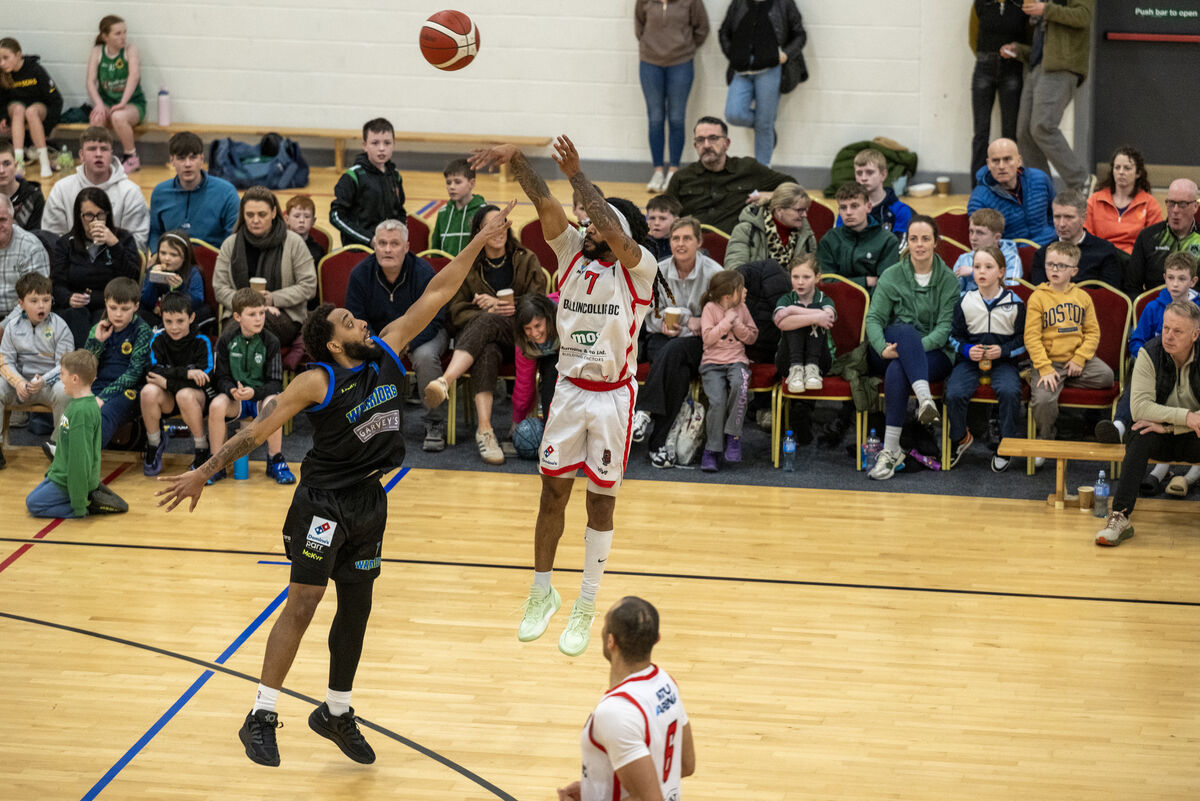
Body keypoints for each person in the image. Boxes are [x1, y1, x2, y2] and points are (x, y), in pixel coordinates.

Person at [156, 202, 515, 767]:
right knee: (303, 602)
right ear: (331, 343)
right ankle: (262, 713)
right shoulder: (316, 381)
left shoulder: (388, 351)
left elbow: (439, 292)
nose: (363, 323)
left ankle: (336, 711)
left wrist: (480, 240)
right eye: (350, 323)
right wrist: (204, 469)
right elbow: (257, 431)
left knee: (357, 608)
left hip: (370, 501)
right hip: (321, 505)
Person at [469, 137, 661, 657]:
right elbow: (543, 202)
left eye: (600, 222)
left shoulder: (639, 269)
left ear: (619, 231)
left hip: (612, 400)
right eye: (590, 221)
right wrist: (517, 160)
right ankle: (542, 591)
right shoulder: (572, 251)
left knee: (600, 502)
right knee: (551, 493)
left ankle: (586, 602)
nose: (589, 225)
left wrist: (580, 176)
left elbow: (604, 219)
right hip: (570, 392)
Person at [424, 204, 545, 465]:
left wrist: (513, 307)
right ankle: (485, 429)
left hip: (522, 334)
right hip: (485, 339)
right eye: (491, 225)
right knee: (487, 350)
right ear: (479, 232)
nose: (498, 230)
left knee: (489, 320)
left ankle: (445, 380)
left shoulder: (526, 258)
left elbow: (540, 304)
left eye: (502, 223)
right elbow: (454, 313)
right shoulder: (467, 265)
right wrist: (485, 309)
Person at [556, 596, 695, 801]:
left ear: (610, 641)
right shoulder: (667, 684)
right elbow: (685, 765)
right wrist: (597, 789)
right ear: (656, 638)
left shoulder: (616, 712)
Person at [1095, 301, 1200, 546]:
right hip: (1161, 434)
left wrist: (1171, 426)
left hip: (1189, 436)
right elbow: (1139, 408)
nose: (1169, 336)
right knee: (1138, 431)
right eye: (1166, 328)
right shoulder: (1149, 353)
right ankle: (1120, 517)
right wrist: (1187, 417)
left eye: (1178, 331)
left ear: (1195, 335)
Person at [1095, 252, 1200, 495]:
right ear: (1164, 278)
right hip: (1153, 366)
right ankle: (1120, 425)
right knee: (1137, 387)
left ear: (1192, 281)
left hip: (1189, 371)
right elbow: (1137, 339)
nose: (1175, 284)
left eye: (1181, 278)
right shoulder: (1153, 306)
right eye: (1170, 278)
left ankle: (1185, 475)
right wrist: (1147, 356)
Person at [864, 215, 959, 480]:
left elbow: (943, 329)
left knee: (899, 368)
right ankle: (924, 398)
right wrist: (882, 347)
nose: (919, 245)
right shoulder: (892, 274)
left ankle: (891, 451)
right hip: (887, 349)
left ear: (936, 242)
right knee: (903, 332)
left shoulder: (949, 279)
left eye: (925, 239)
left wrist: (911, 350)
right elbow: (874, 319)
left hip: (934, 355)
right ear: (908, 241)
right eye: (914, 239)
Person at [344, 219, 448, 453]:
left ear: (407, 247)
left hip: (424, 334)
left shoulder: (423, 272)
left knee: (424, 357)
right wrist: (383, 344)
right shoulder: (361, 274)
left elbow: (435, 317)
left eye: (394, 243)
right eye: (382, 243)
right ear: (374, 245)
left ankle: (435, 423)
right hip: (378, 337)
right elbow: (355, 318)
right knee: (360, 354)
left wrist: (409, 342)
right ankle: (373, 423)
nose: (388, 249)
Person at [631, 216, 723, 468]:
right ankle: (657, 445)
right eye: (675, 238)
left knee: (675, 354)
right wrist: (662, 322)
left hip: (699, 343)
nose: (680, 244)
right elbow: (647, 313)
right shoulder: (658, 270)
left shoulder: (715, 274)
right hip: (663, 339)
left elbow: (722, 318)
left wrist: (694, 321)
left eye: (686, 238)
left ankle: (644, 412)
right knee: (676, 369)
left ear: (699, 242)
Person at [945, 246, 1027, 472]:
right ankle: (960, 437)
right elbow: (953, 336)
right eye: (977, 266)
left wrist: (1003, 351)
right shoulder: (964, 301)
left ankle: (1006, 444)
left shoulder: (1015, 303)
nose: (981, 272)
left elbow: (1023, 340)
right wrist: (966, 349)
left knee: (1010, 391)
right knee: (954, 392)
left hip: (1003, 362)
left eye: (988, 267)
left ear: (1001, 271)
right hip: (970, 361)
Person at [1024, 241, 1114, 446]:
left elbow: (1092, 332)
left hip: (1076, 362)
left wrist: (1080, 359)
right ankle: (1046, 437)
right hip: (1048, 363)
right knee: (1044, 401)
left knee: (1107, 376)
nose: (1055, 269)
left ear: (1074, 271)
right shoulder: (1038, 297)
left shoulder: (1082, 297)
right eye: (1050, 264)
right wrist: (1044, 368)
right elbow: (1031, 337)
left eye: (1061, 266)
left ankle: (1063, 380)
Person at [1005, 0, 1095, 194]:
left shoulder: (1050, 6)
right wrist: (1020, 50)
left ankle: (1081, 180)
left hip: (1062, 68)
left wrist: (1046, 9)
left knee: (1043, 126)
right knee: (1024, 132)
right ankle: (1041, 190)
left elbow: (1083, 16)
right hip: (1038, 68)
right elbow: (1046, 45)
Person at [26, 350, 127, 517]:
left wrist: (79, 506)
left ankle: (87, 506)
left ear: (74, 379)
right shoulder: (78, 402)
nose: (60, 378)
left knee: (33, 504)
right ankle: (81, 496)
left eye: (62, 374)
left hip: (71, 479)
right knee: (37, 494)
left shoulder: (82, 413)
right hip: (62, 473)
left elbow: (80, 461)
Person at [206, 288, 291, 485]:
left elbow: (276, 382)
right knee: (216, 405)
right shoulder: (226, 339)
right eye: (252, 314)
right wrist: (231, 391)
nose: (259, 319)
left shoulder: (271, 341)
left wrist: (255, 392)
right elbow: (220, 377)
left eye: (262, 313)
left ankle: (275, 459)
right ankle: (215, 462)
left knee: (275, 402)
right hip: (236, 400)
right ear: (237, 316)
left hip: (260, 398)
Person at [214, 186, 317, 347]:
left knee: (246, 328)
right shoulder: (231, 244)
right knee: (247, 324)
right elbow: (220, 288)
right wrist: (247, 306)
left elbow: (308, 286)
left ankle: (221, 365)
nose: (255, 220)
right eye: (249, 215)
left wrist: (273, 299)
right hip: (238, 313)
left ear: (274, 213)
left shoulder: (293, 242)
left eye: (262, 214)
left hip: (284, 315)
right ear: (242, 215)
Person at [663, 116, 796, 233]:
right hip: (693, 248)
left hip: (736, 247)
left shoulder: (748, 168)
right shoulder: (681, 177)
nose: (707, 145)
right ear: (695, 145)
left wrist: (771, 195)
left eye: (713, 138)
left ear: (727, 143)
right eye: (700, 140)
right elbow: (664, 214)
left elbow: (792, 185)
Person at [717, 0, 807, 166]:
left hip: (770, 70)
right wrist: (733, 55)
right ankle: (765, 127)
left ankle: (762, 174)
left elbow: (799, 34)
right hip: (741, 70)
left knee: (764, 124)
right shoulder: (739, 3)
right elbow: (724, 32)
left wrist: (786, 54)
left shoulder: (784, 3)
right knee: (734, 114)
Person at [51, 187, 141, 347]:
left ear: (107, 214)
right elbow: (56, 283)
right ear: (79, 217)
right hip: (76, 306)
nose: (95, 221)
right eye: (88, 215)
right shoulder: (66, 243)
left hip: (110, 304)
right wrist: (68, 298)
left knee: (106, 318)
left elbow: (131, 278)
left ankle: (92, 363)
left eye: (100, 214)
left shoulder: (123, 239)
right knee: (76, 316)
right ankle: (84, 363)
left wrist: (114, 244)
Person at [635, 0, 709, 192]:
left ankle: (674, 171)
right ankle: (658, 171)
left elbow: (702, 28)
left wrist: (685, 47)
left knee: (676, 118)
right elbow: (639, 26)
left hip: (681, 63)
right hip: (650, 63)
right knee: (655, 118)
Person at [0, 272, 73, 469]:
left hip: (49, 386)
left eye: (46, 300)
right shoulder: (13, 328)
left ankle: (59, 446)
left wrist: (44, 381)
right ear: (21, 304)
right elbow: (4, 361)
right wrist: (18, 382)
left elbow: (66, 364)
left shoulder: (61, 327)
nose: (41, 305)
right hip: (21, 386)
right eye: (34, 300)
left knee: (65, 390)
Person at [141, 293, 214, 476]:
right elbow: (151, 372)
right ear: (162, 318)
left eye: (180, 321)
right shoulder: (157, 339)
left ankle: (201, 447)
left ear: (191, 317)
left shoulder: (202, 341)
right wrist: (186, 374)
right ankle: (154, 442)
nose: (174, 327)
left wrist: (167, 381)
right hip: (168, 399)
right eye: (168, 321)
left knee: (185, 395)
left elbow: (206, 377)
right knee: (148, 391)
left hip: (195, 399)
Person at [42, 127, 150, 250]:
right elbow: (51, 237)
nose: (98, 154)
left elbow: (137, 243)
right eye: (92, 149)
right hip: (72, 264)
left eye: (104, 149)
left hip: (116, 264)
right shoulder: (61, 189)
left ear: (111, 154)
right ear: (81, 155)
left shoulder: (130, 192)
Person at [83, 277, 152, 449]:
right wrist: (97, 342)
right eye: (113, 308)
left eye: (125, 309)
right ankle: (65, 451)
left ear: (136, 306)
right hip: (99, 384)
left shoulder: (142, 331)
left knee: (106, 411)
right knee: (77, 407)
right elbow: (85, 367)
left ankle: (84, 460)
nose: (118, 314)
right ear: (106, 303)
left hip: (130, 390)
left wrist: (103, 397)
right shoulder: (97, 328)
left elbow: (135, 373)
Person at [698, 270, 757, 472]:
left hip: (737, 361)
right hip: (712, 364)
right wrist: (725, 322)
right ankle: (712, 450)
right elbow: (707, 338)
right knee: (717, 402)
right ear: (728, 295)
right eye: (742, 288)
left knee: (740, 388)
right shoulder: (709, 309)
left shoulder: (742, 308)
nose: (746, 291)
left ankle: (733, 436)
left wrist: (737, 323)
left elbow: (751, 337)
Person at [148, 131, 241, 251]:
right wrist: (156, 254)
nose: (188, 164)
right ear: (172, 160)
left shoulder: (227, 192)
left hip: (213, 263)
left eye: (193, 158)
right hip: (171, 262)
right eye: (181, 158)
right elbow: (155, 231)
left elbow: (233, 238)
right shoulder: (159, 193)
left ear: (202, 159)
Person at [970, 0, 1029, 185]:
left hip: (1012, 68)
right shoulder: (980, 3)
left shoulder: (1022, 4)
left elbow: (1028, 40)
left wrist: (1016, 51)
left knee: (1010, 132)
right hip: (984, 65)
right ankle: (978, 186)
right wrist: (986, 56)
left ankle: (1009, 184)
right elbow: (973, 37)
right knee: (981, 132)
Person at [330, 117, 406, 246]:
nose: (381, 148)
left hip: (387, 248)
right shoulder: (353, 177)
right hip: (359, 250)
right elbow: (336, 216)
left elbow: (399, 212)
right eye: (375, 143)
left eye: (387, 143)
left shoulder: (395, 175)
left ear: (394, 144)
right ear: (365, 146)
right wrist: (368, 240)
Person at [968, 137, 1057, 246]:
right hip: (1013, 256)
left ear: (1019, 161)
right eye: (995, 161)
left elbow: (1055, 214)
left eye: (1007, 159)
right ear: (988, 164)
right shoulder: (979, 199)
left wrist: (1053, 235)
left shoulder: (1040, 179)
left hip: (1050, 247)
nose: (1001, 166)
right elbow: (982, 242)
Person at [86, 15, 146, 172]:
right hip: (107, 103)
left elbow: (134, 76)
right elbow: (90, 81)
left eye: (124, 32)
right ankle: (100, 159)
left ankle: (131, 157)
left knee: (118, 116)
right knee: (97, 118)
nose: (123, 37)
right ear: (105, 36)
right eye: (118, 33)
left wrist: (123, 103)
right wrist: (99, 104)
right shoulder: (98, 51)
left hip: (132, 103)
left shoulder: (130, 50)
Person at [1030, 189, 1122, 288]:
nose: (1061, 224)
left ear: (1083, 218)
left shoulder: (1105, 251)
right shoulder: (1042, 254)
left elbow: (1110, 297)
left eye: (1068, 217)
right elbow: (1039, 296)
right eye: (1057, 217)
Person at [817, 182, 901, 290]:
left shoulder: (888, 241)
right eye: (843, 207)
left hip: (873, 304)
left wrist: (842, 282)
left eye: (854, 206)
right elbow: (826, 282)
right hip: (835, 303)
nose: (848, 212)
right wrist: (865, 281)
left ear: (868, 207)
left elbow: (885, 286)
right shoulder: (829, 240)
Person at [1126, 179, 1200, 298]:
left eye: (1182, 205)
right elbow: (1132, 287)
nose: (1175, 210)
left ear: (1195, 207)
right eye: (1171, 203)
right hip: (1155, 309)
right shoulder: (1148, 236)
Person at [0, 38, 61, 178]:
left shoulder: (35, 70)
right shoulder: (2, 74)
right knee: (19, 109)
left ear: (18, 54)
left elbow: (56, 100)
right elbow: (1, 101)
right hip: (16, 112)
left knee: (30, 111)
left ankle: (45, 163)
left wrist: (48, 127)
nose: (2, 63)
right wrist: (2, 117)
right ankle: (19, 163)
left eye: (6, 58)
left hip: (37, 110)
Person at [774, 253, 835, 394]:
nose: (800, 282)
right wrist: (812, 316)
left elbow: (828, 317)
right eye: (795, 277)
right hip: (787, 361)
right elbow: (782, 324)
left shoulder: (823, 299)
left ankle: (811, 367)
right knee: (806, 316)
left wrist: (792, 312)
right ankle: (796, 367)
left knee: (812, 309)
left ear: (817, 277)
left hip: (820, 362)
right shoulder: (787, 299)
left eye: (806, 277)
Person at [1086, 146, 1162, 255]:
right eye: (1117, 167)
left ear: (1138, 173)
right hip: (1100, 259)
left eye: (1127, 168)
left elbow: (1154, 241)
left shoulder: (1150, 204)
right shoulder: (1094, 200)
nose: (1121, 172)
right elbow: (1087, 237)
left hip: (1134, 261)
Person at [724, 181, 815, 272]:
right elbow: (734, 270)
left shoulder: (806, 235)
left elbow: (812, 272)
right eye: (799, 210)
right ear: (779, 210)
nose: (804, 215)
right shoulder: (746, 230)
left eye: (806, 210)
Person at [835, 149, 914, 239]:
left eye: (869, 172)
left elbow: (900, 249)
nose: (863, 178)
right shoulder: (847, 210)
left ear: (883, 175)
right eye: (859, 173)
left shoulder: (900, 210)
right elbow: (839, 244)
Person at [0, 194, 50, 335]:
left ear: (12, 218)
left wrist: (4, 327)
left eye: (2, 220)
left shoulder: (30, 248)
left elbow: (36, 300)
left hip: (24, 319)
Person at [511, 293, 560, 433]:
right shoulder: (523, 343)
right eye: (528, 328)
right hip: (547, 357)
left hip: (572, 350)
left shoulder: (564, 319)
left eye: (538, 325)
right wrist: (517, 422)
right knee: (549, 377)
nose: (534, 333)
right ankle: (549, 431)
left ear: (548, 318)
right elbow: (524, 384)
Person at [140, 230, 206, 327]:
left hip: (181, 317)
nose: (167, 258)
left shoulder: (193, 272)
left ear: (185, 257)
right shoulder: (153, 269)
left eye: (173, 255)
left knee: (203, 313)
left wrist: (180, 288)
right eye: (163, 253)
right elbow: (146, 302)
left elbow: (197, 301)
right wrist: (152, 281)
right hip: (158, 316)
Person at [952, 208, 1023, 292]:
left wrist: (974, 273)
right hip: (968, 304)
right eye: (971, 231)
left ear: (997, 238)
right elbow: (953, 293)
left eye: (980, 233)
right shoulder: (964, 258)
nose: (973, 238)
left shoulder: (1012, 259)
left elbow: (1011, 289)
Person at [431, 158, 487, 256]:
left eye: (457, 182)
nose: (452, 187)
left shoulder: (484, 211)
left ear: (472, 183)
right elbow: (436, 249)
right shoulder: (442, 213)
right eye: (448, 182)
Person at [0, 141, 44, 230]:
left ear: (16, 165)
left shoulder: (34, 198)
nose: (1, 170)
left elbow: (36, 239)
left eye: (7, 164)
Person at [283, 194, 326, 269]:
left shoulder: (318, 252)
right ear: (287, 219)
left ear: (313, 221)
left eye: (307, 217)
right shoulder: (279, 246)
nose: (302, 220)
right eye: (296, 216)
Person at [644, 194, 681, 261]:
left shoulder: (681, 245)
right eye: (652, 218)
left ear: (676, 221)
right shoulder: (643, 245)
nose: (656, 223)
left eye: (662, 218)